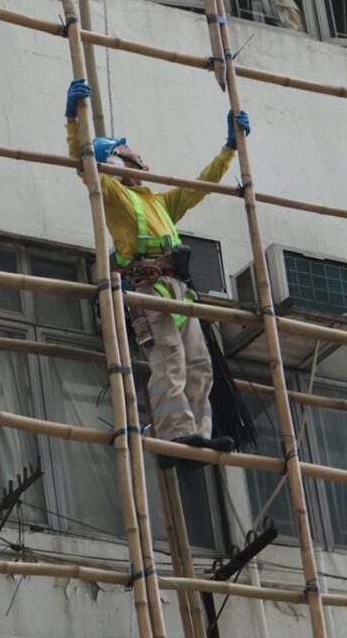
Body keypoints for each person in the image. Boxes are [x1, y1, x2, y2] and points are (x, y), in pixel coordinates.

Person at [65, 79, 250, 468]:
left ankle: (196, 432)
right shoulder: (116, 196)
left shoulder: (159, 201)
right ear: (115, 160)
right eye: (128, 149)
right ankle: (174, 435)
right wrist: (73, 121)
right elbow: (85, 167)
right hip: (150, 289)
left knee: (198, 363)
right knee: (168, 360)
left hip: (179, 290)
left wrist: (228, 150)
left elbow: (200, 187)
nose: (139, 154)